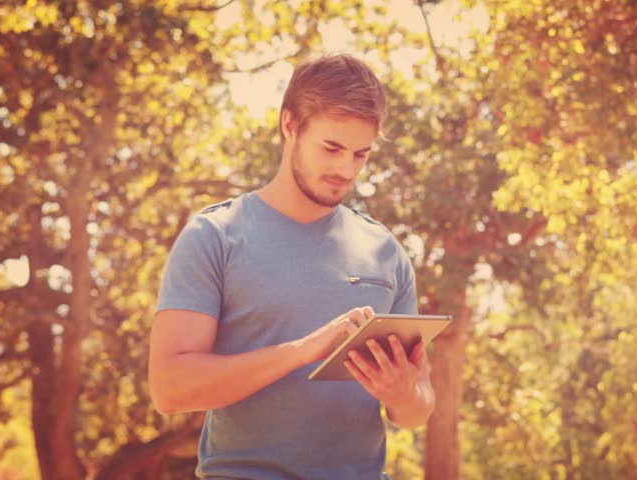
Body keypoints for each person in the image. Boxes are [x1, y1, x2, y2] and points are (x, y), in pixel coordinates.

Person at [148, 53, 435, 480]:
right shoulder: (216, 236)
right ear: (290, 126)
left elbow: (418, 408)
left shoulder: (386, 251)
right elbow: (170, 389)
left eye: (360, 154)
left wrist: (403, 392)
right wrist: (302, 351)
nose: (345, 169)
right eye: (332, 148)